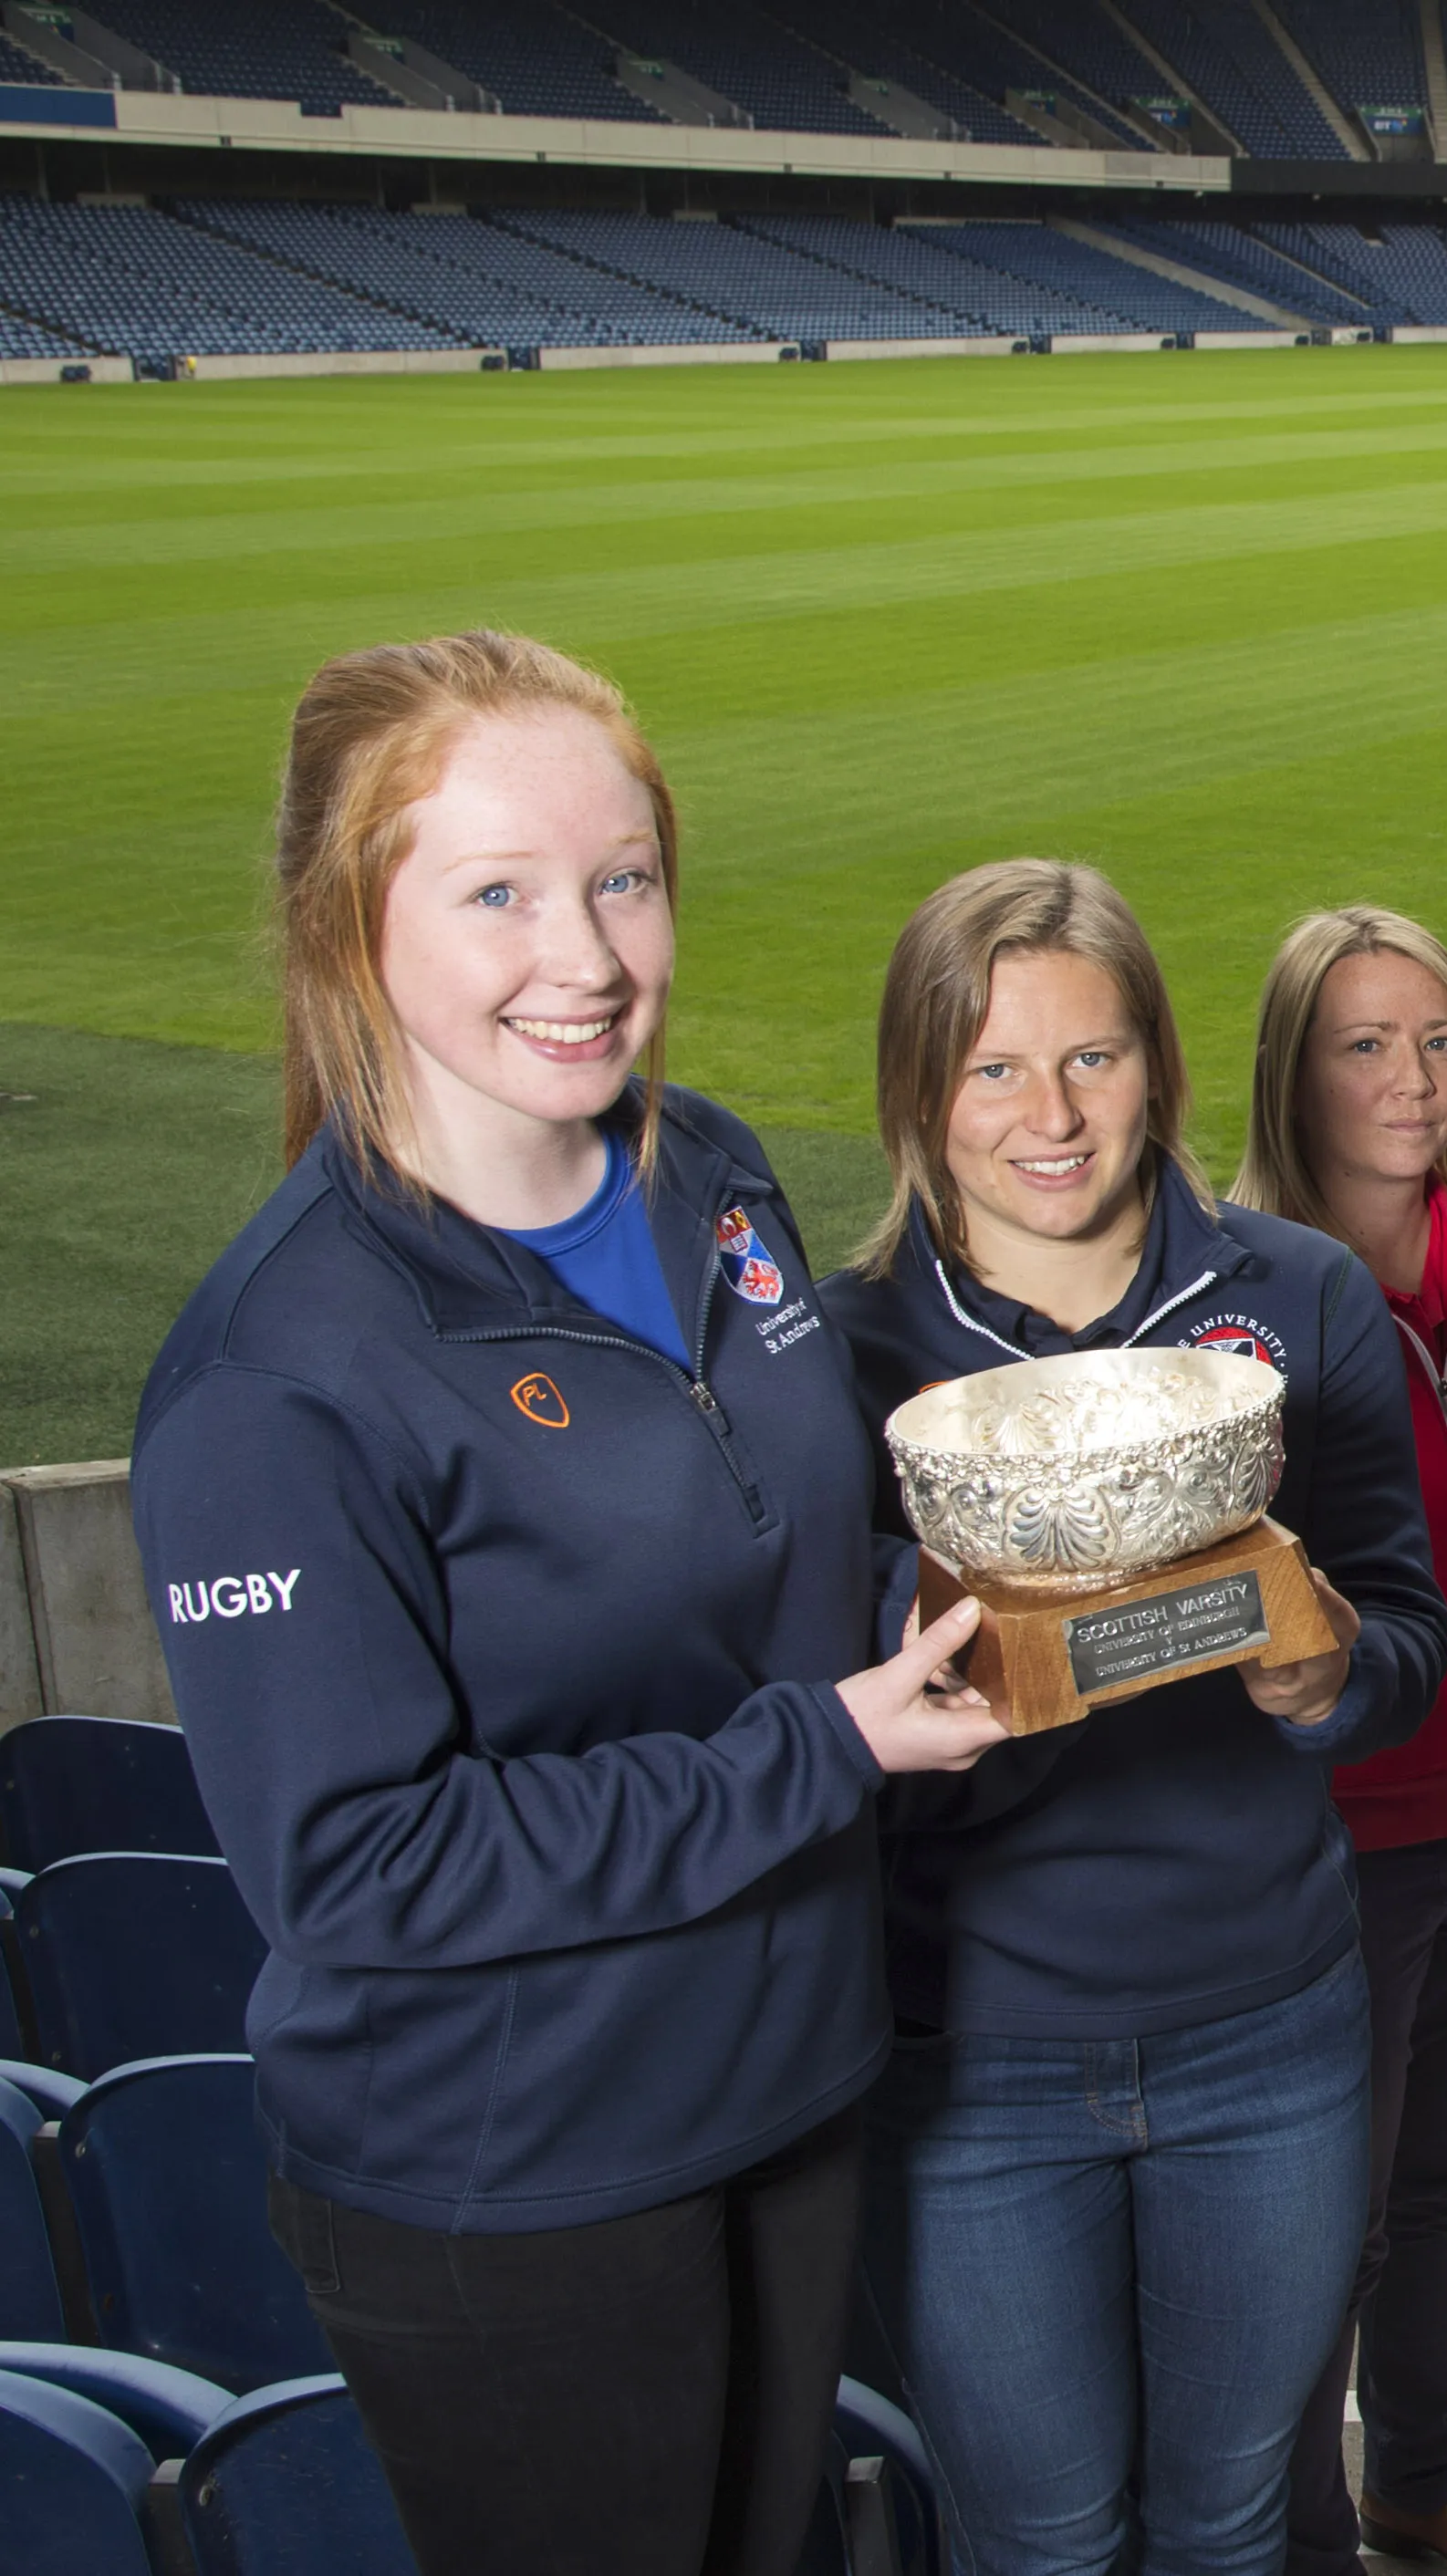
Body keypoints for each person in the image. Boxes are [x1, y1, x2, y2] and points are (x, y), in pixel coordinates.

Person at [131, 632, 1005, 2576]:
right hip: (517, 2176)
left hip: (789, 2082)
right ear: (353, 926)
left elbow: (784, 1557)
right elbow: (360, 1866)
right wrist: (833, 1740)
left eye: (624, 875)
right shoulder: (277, 1376)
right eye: (500, 892)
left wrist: (970, 1611)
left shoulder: (710, 1171)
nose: (591, 955)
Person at [820, 860, 1447, 2576]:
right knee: (1037, 2537)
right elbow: (804, 1719)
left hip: (1268, 2032)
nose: (1052, 1115)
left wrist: (1330, 1677)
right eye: (993, 1068)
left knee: (1232, 2519)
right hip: (973, 2060)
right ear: (918, 1092)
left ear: (1159, 1067)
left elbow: (1410, 1638)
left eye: (1093, 1058)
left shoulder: (1304, 1296)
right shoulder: (840, 1347)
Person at [1247, 909, 1447, 2576]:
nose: (1414, 1081)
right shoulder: (1235, 1307)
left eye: (1438, 1040)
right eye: (1364, 1045)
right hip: (1334, 1842)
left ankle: (1418, 2482)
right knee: (1325, 2227)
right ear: (1290, 1072)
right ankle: (1296, 2526)